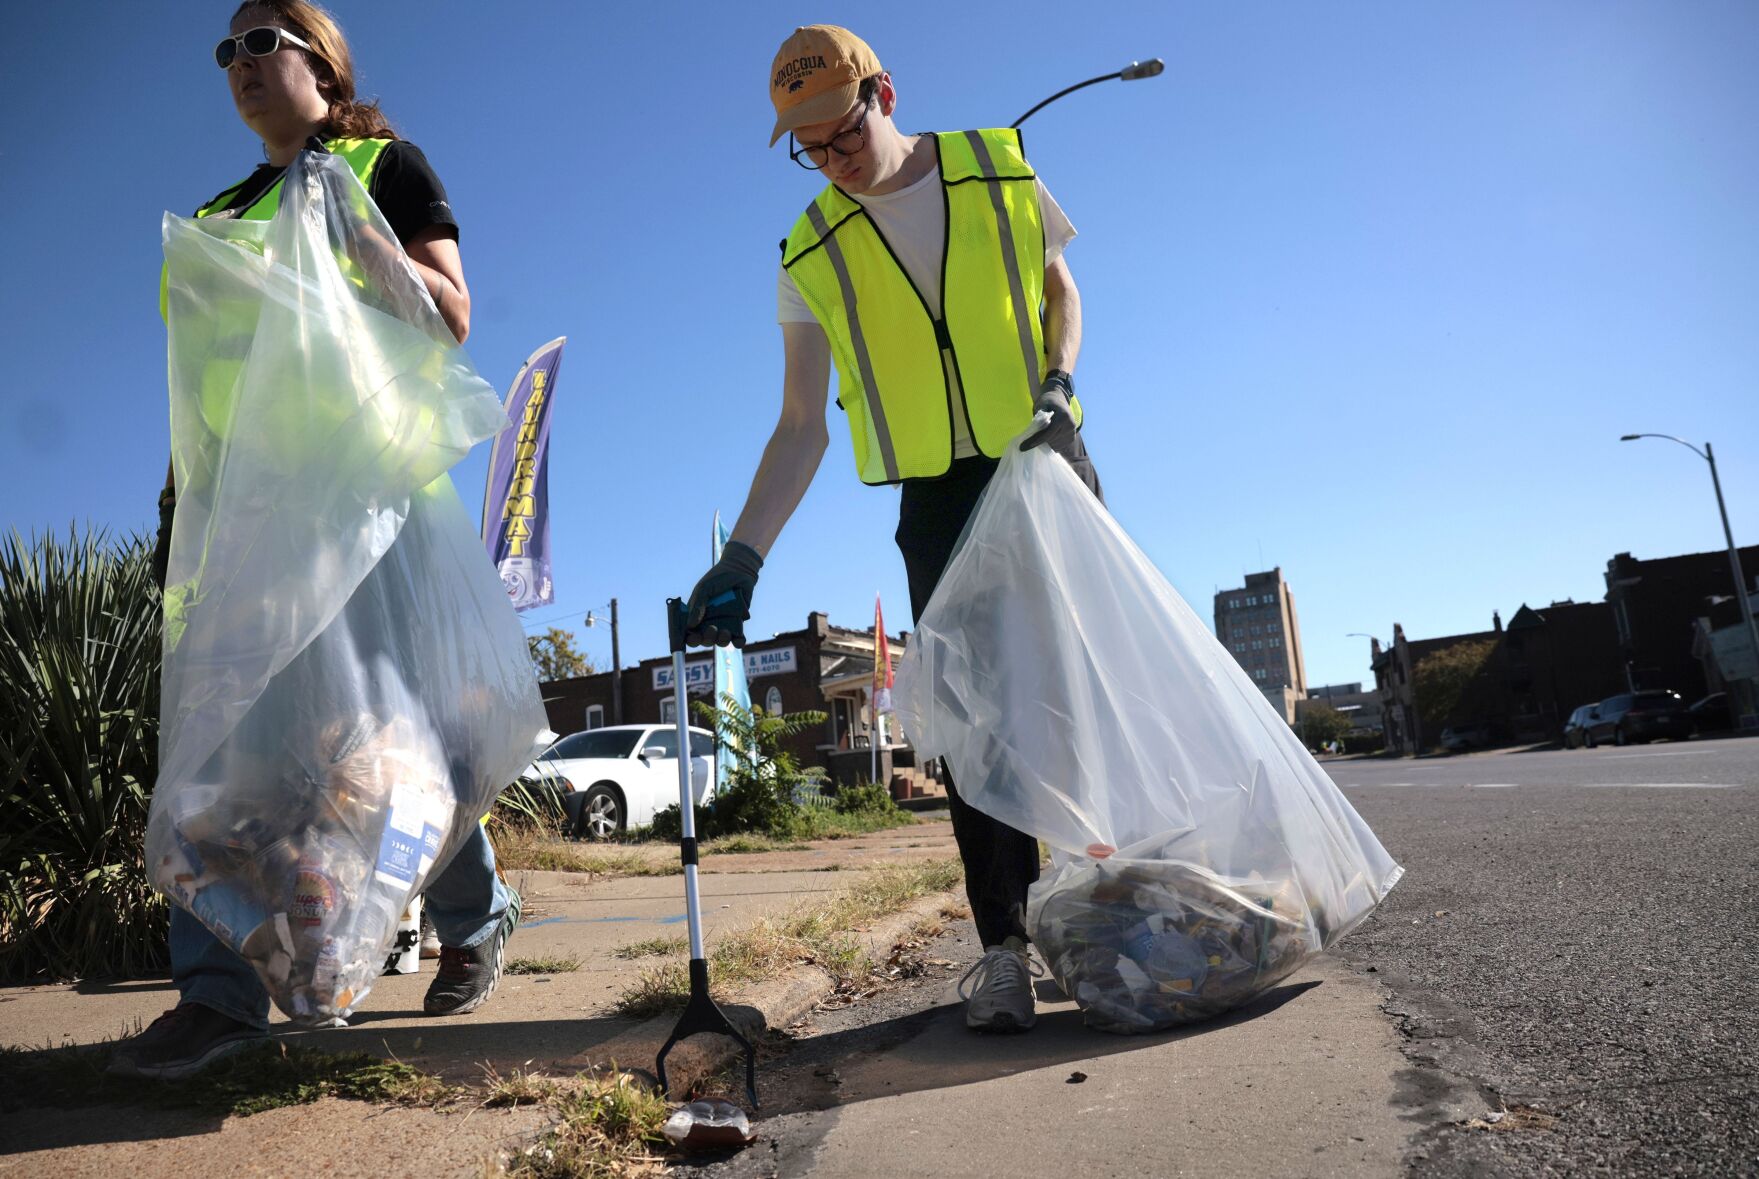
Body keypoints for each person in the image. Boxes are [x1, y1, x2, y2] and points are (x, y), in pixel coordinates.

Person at [113, 0, 519, 1081]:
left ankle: (475, 916)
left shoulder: (382, 164)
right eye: (225, 52)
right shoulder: (216, 217)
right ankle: (219, 996)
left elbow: (450, 314)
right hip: (247, 521)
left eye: (262, 43)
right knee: (225, 749)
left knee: (393, 743)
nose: (239, 66)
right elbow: (198, 394)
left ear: (322, 64)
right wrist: (176, 514)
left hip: (366, 503)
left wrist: (355, 234)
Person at [684, 25, 1104, 1034]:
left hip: (1043, 458)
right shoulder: (810, 250)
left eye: (841, 130)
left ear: (883, 91)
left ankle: (1100, 916)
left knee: (1079, 693)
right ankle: (1004, 946)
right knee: (971, 723)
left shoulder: (993, 168)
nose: (832, 159)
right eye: (808, 147)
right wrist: (744, 555)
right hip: (937, 499)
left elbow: (1057, 287)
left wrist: (1060, 381)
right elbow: (798, 424)